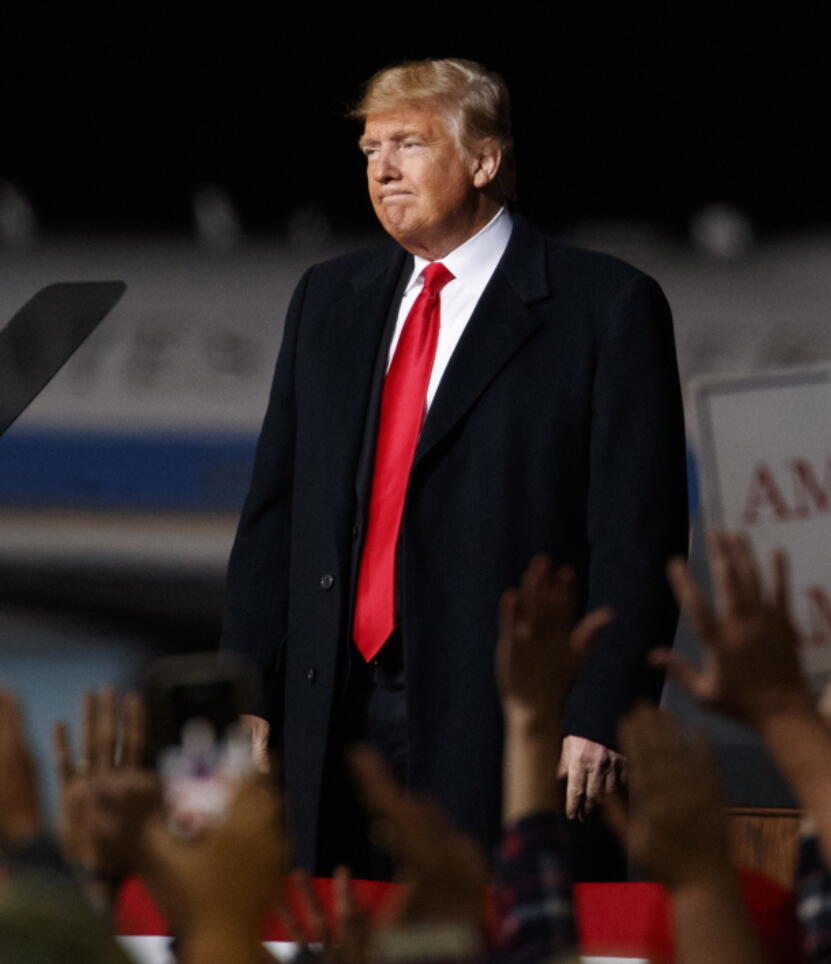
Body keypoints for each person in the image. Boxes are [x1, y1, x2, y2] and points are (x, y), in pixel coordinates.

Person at [219, 58, 688, 876]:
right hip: (331, 706)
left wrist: (603, 711)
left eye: (409, 143)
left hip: (502, 719)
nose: (383, 169)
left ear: (484, 160)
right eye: (370, 150)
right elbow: (276, 512)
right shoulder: (329, 299)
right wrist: (248, 690)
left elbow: (635, 536)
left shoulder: (603, 307)